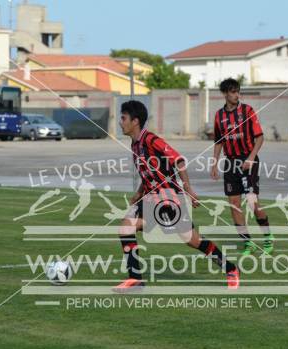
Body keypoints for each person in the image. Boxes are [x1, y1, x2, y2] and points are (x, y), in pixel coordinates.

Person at [113, 100, 239, 293]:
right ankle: (135, 279)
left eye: (123, 118)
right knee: (125, 228)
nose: (120, 122)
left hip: (169, 199)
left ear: (135, 121)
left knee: (191, 239)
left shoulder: (151, 140)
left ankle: (230, 268)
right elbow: (149, 172)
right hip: (150, 199)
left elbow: (178, 160)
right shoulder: (134, 145)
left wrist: (189, 190)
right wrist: (139, 193)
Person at [210, 78, 274, 256]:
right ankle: (248, 243)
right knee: (235, 205)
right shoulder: (219, 116)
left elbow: (260, 137)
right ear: (225, 94)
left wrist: (251, 158)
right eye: (232, 92)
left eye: (238, 91)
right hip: (230, 163)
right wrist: (214, 163)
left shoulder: (247, 111)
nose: (236, 95)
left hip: (248, 160)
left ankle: (268, 237)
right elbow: (218, 141)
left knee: (253, 202)